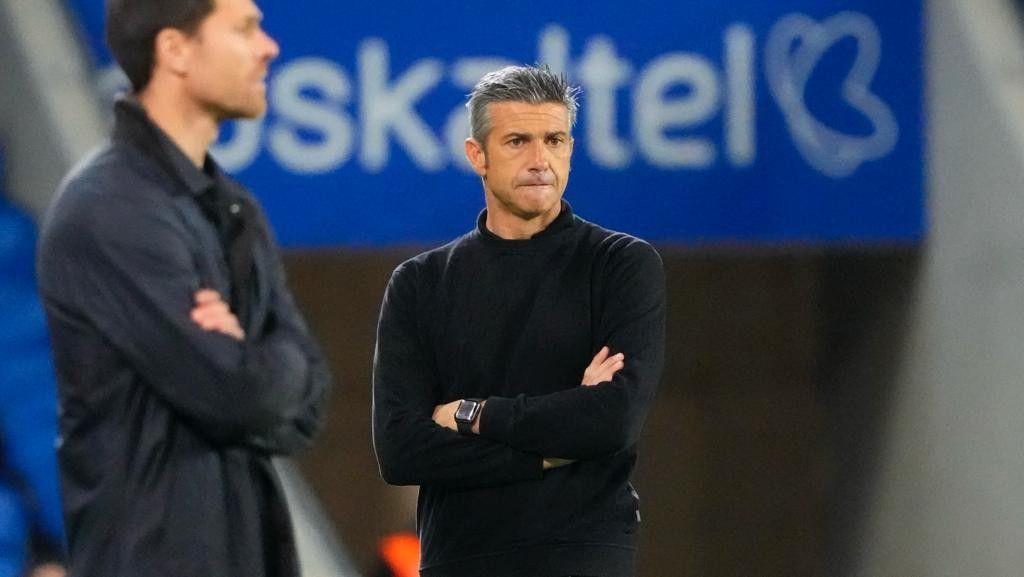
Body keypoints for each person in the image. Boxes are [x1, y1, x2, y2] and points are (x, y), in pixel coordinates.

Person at [36, 1, 331, 576]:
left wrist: (257, 361)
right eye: (245, 28)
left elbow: (309, 402)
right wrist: (261, 363)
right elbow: (239, 394)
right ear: (175, 50)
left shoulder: (234, 209)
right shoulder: (111, 211)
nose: (268, 46)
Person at [372, 65, 666, 577]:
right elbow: (402, 450)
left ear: (570, 149)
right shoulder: (420, 283)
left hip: (582, 556)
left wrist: (473, 414)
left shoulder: (620, 265)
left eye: (554, 140)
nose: (539, 160)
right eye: (517, 141)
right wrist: (549, 453)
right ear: (477, 156)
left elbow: (612, 421)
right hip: (460, 558)